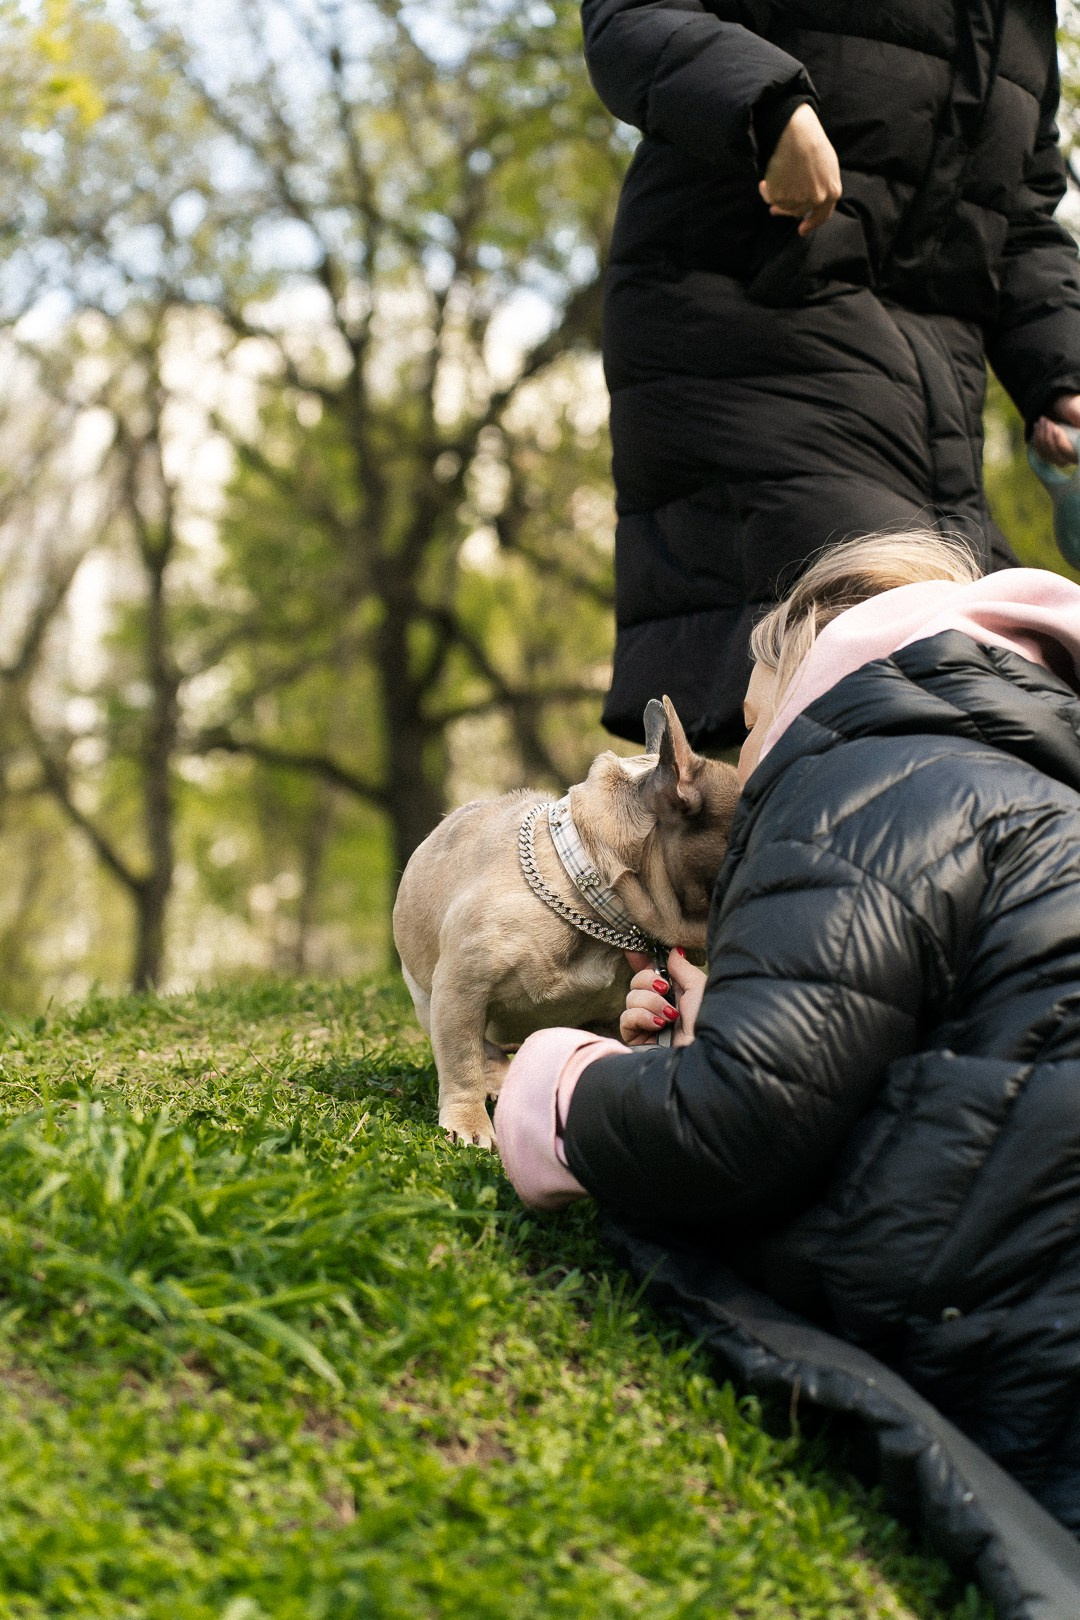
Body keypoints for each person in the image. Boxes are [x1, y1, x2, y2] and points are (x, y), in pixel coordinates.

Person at [495, 530, 1080, 1558]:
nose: (742, 762)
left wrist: (559, 1086)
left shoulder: (855, 769)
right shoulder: (1014, 773)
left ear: (815, 666)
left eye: (754, 720)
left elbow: (741, 1119)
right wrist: (734, 1014)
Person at [582, 0, 1080, 749]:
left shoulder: (1021, 20)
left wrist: (1063, 374)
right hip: (747, 337)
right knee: (913, 683)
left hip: (931, 402)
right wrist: (768, 107)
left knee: (1028, 688)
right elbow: (634, 13)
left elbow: (1022, 216)